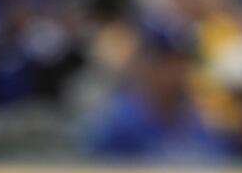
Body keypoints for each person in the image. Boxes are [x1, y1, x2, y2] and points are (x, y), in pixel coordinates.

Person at [86, 15, 231, 161]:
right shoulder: (118, 125)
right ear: (148, 64)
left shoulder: (203, 122)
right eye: (169, 63)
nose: (178, 72)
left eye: (183, 62)